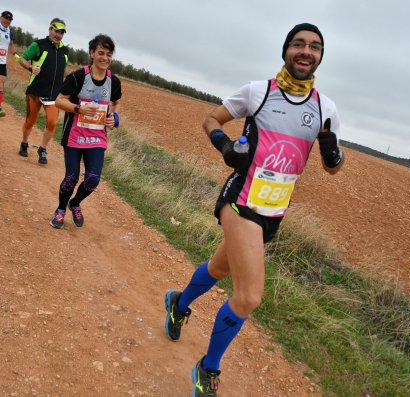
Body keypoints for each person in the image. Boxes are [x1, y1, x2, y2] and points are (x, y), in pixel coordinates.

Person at [163, 23, 344, 396]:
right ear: (286, 51)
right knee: (248, 297)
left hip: (273, 213)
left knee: (219, 267)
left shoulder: (326, 109)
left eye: (314, 46)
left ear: (320, 57)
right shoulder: (258, 92)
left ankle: (178, 303)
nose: (305, 51)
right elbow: (210, 119)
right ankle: (207, 368)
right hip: (240, 200)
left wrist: (332, 154)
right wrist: (225, 147)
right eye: (298, 44)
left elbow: (332, 167)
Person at [50, 34, 121, 229]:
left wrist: (114, 118)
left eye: (108, 54)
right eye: (100, 53)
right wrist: (78, 109)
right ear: (92, 53)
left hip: (97, 137)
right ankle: (61, 209)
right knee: (71, 177)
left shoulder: (113, 81)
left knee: (92, 180)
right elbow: (59, 100)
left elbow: (116, 103)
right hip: (74, 135)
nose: (104, 58)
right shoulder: (79, 76)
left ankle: (75, 203)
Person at [17, 18, 70, 165]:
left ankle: (43, 149)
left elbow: (64, 69)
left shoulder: (65, 51)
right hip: (35, 91)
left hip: (54, 94)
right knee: (31, 120)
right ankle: (24, 142)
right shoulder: (38, 45)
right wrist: (30, 68)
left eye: (61, 33)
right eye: (56, 31)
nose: (58, 35)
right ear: (50, 29)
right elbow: (22, 59)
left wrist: (71, 83)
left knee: (52, 122)